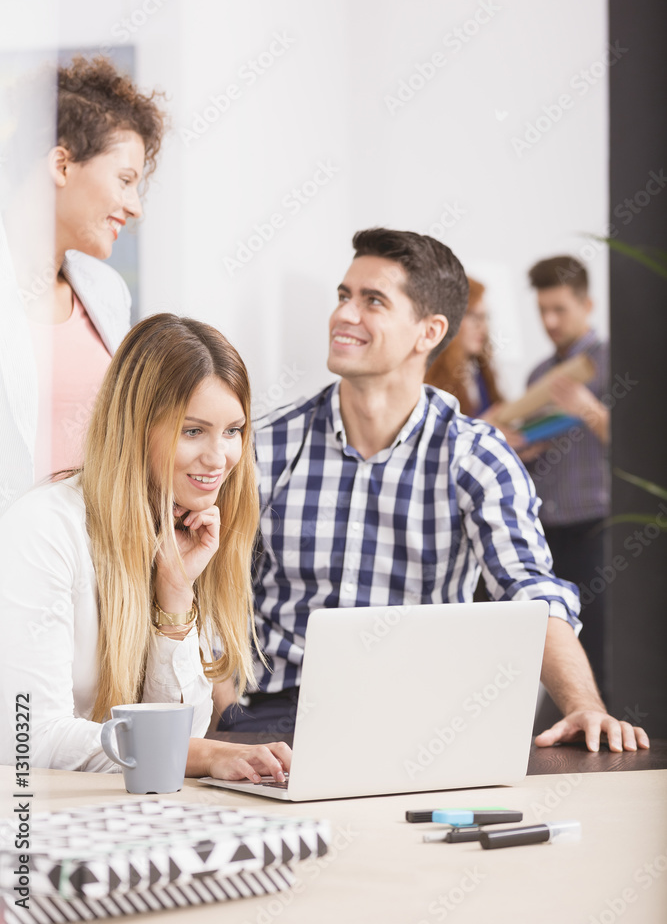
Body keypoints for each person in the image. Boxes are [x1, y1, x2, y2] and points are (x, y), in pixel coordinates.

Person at [219, 228, 647, 753]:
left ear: (429, 331)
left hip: (417, 722)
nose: (344, 315)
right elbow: (216, 590)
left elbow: (530, 590)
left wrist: (584, 706)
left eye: (372, 301)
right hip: (274, 719)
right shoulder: (266, 446)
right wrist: (224, 714)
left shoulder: (475, 454)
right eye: (343, 296)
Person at [0, 313, 290, 782]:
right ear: (136, 428)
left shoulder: (186, 530)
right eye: (192, 431)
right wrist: (206, 756)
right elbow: (32, 739)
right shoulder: (43, 530)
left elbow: (182, 731)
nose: (219, 459)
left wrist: (175, 592)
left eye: (233, 431)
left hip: (127, 810)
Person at [0, 54, 166, 513]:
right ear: (62, 164)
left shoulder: (106, 291)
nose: (135, 207)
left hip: (88, 558)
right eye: (125, 180)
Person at [524, 256, 611, 698]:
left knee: (600, 640)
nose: (550, 321)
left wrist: (588, 409)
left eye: (560, 310)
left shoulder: (612, 361)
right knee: (557, 638)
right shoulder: (539, 374)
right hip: (548, 530)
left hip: (596, 527)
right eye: (542, 310)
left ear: (587, 304)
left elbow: (638, 446)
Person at [425, 277, 501, 416]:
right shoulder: (427, 379)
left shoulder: (480, 372)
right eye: (474, 317)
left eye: (484, 317)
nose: (482, 328)